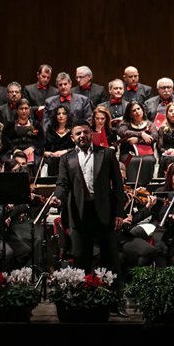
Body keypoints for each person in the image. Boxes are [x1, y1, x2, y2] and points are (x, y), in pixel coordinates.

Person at [54, 122, 127, 311]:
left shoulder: (107, 154)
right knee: (80, 259)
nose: (82, 136)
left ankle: (116, 303)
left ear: (91, 134)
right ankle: (82, 302)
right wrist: (57, 197)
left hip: (105, 212)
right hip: (79, 214)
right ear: (72, 137)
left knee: (110, 258)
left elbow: (118, 186)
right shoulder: (66, 158)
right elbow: (63, 184)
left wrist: (119, 212)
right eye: (78, 133)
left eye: (85, 132)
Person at [117, 101, 158, 186]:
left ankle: (146, 187)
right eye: (134, 110)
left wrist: (138, 140)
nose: (137, 112)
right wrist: (141, 134)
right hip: (128, 153)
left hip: (146, 153)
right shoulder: (125, 124)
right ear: (130, 114)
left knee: (149, 160)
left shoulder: (150, 124)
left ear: (142, 110)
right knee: (131, 161)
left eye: (138, 109)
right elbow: (122, 132)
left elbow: (154, 138)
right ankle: (131, 186)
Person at [2, 98, 44, 175]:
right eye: (21, 109)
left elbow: (41, 140)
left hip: (31, 151)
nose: (24, 111)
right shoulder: (9, 125)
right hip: (14, 150)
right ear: (17, 110)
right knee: (6, 161)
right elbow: (5, 140)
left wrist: (32, 148)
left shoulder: (36, 124)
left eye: (26, 108)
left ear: (30, 109)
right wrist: (14, 149)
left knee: (37, 162)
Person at [43, 105, 74, 176]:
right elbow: (44, 147)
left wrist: (64, 151)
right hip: (52, 158)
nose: (61, 116)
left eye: (64, 113)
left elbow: (77, 148)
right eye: (58, 114)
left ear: (68, 115)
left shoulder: (73, 129)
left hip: (68, 157)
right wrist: (46, 153)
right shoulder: (50, 130)